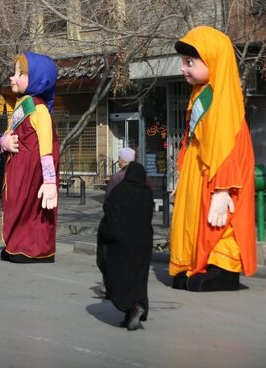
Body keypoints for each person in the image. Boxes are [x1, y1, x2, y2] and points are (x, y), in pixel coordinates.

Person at [170, 26, 256, 291]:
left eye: (190, 63)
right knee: (195, 218)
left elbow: (226, 145)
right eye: (184, 62)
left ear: (213, 60)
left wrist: (222, 190)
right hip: (201, 168)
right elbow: (194, 137)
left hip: (221, 173)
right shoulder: (202, 93)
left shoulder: (223, 99)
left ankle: (222, 269)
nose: (184, 69)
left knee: (219, 220)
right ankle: (194, 263)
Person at [0, 52, 59, 263]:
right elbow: (8, 132)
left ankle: (32, 249)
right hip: (18, 170)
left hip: (33, 174)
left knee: (32, 209)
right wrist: (4, 142)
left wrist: (50, 181)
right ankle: (15, 244)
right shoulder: (23, 103)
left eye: (20, 73)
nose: (12, 77)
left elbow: (46, 147)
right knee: (16, 205)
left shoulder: (39, 108)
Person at [97, 162, 154, 331]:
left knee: (119, 277)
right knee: (138, 279)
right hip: (142, 244)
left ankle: (130, 307)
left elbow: (108, 210)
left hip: (120, 243)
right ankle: (136, 306)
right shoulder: (147, 194)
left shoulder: (119, 192)